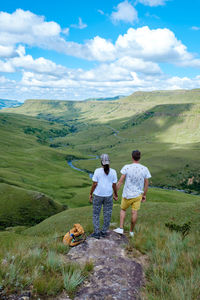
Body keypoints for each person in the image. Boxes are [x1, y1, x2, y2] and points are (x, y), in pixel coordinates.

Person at [113, 150, 151, 237]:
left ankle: (121, 228)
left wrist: (115, 193)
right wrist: (144, 195)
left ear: (132, 157)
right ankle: (131, 232)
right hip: (138, 195)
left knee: (123, 210)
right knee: (134, 212)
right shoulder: (145, 169)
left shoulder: (127, 167)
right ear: (139, 158)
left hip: (127, 194)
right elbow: (146, 183)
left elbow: (120, 182)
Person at [89, 154, 118, 239]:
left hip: (98, 195)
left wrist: (90, 193)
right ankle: (104, 231)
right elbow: (114, 185)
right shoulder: (113, 171)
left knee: (96, 214)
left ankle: (97, 232)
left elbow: (94, 184)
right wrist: (115, 194)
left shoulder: (97, 171)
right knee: (107, 213)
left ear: (101, 162)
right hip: (108, 195)